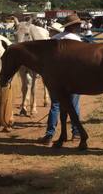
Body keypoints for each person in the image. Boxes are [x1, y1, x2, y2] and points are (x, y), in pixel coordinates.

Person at [40, 14, 83, 146]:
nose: (80, 26)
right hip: (73, 78)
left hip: (56, 78)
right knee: (74, 105)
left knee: (55, 105)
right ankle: (76, 133)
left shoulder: (54, 39)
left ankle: (49, 134)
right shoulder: (76, 40)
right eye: (78, 24)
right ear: (74, 26)